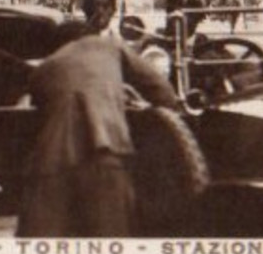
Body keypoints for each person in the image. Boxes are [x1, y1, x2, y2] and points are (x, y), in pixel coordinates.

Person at [17, 22, 183, 237]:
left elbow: (35, 116)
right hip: (106, 155)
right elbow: (161, 90)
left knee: (44, 247)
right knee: (111, 243)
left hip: (51, 164)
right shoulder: (108, 46)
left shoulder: (44, 69)